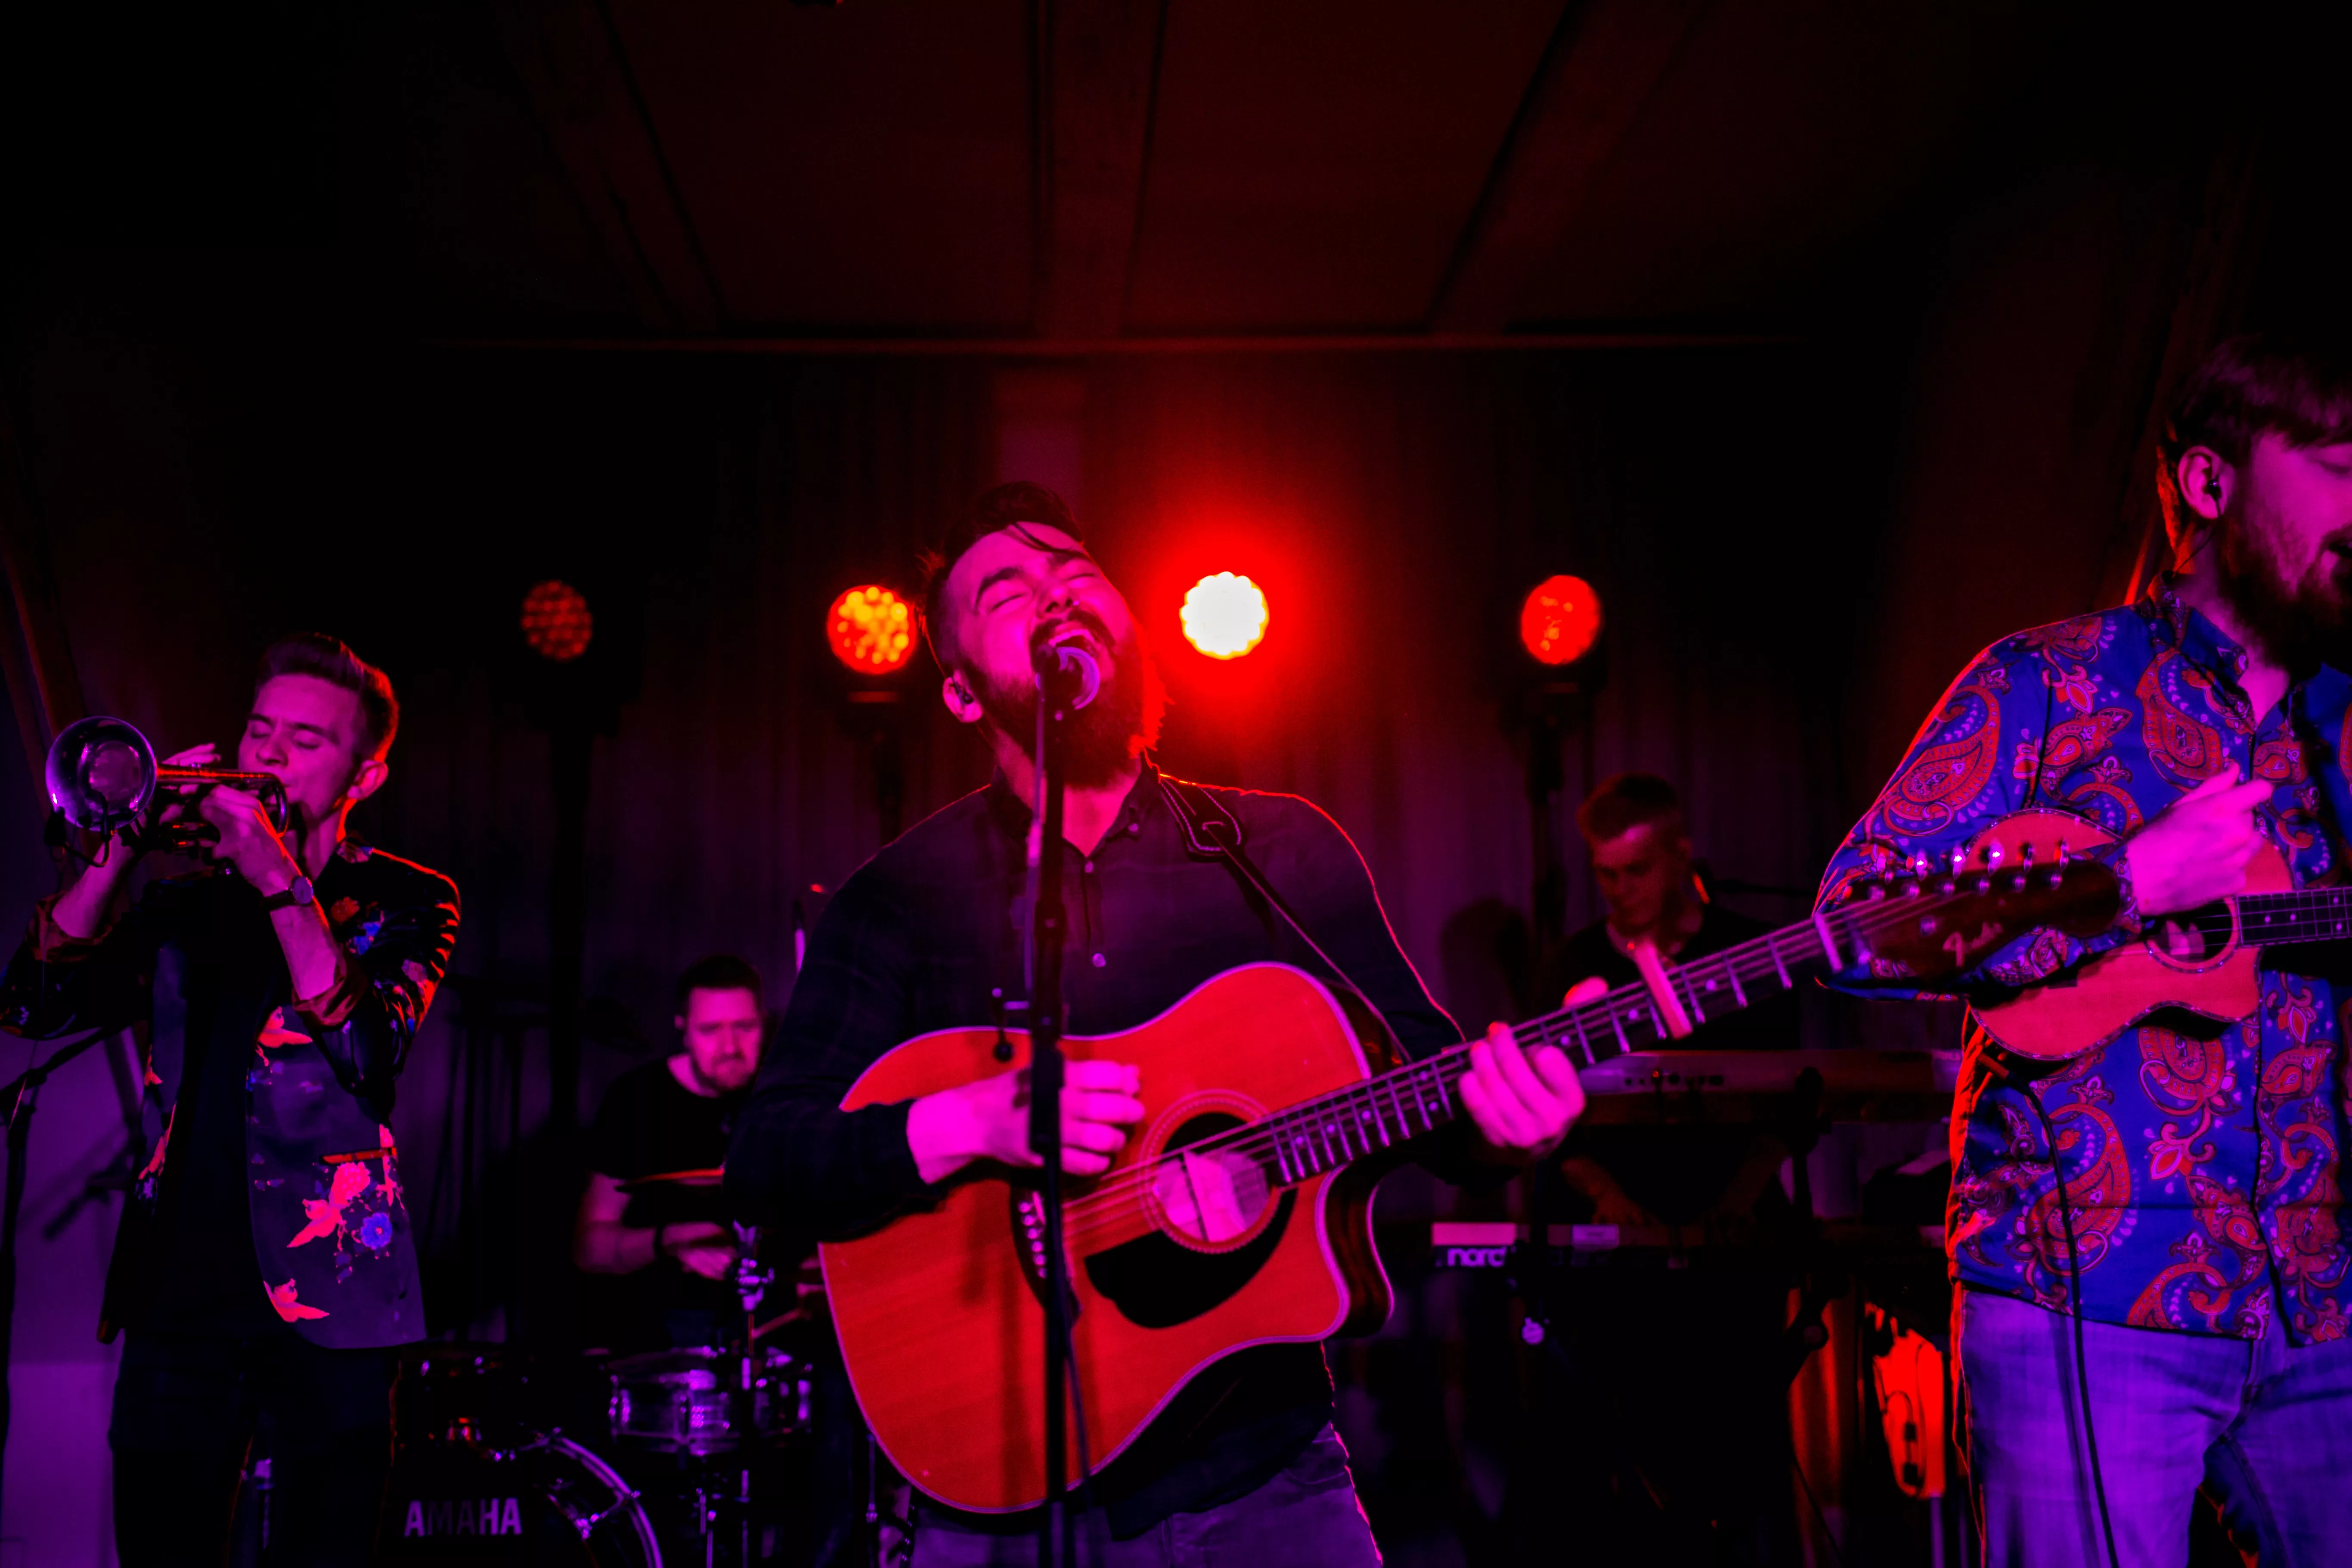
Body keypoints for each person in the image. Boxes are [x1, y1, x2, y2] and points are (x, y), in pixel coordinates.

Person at [725, 481, 1585, 1568]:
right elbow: (764, 1160)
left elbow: (1423, 1087)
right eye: (1007, 590)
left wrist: (1518, 1117)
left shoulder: (1275, 853)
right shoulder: (897, 899)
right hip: (988, 1505)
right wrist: (969, 1124)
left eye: (1077, 571)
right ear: (955, 692)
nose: (1054, 594)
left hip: (1265, 1477)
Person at [1815, 333, 2352, 1565]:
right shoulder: (2048, 685)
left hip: (2324, 1297)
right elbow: (1857, 919)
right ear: (2209, 487)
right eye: (2332, 465)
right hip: (2088, 1293)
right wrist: (2121, 886)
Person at [0, 633, 459, 1566]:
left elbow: (371, 1049)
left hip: (338, 1297)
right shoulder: (184, 902)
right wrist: (117, 849)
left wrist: (280, 882)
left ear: (364, 777)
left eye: (306, 739)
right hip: (179, 1292)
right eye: (260, 730)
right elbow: (31, 1007)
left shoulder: (408, 899)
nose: (271, 756)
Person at [1528, 775, 1801, 1565]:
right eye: (1605, 874)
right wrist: (1609, 1197)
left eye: (1636, 871)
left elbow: (1791, 1102)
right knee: (1618, 1461)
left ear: (1681, 856)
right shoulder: (1573, 963)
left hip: (1733, 1240)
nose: (1619, 891)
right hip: (1615, 1258)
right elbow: (1552, 1119)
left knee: (1735, 1461)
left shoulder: (1751, 955)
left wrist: (1735, 1199)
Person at [577, 954, 769, 1351]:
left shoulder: (782, 1096)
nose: (730, 1047)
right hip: (661, 1339)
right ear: (682, 1029)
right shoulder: (635, 1100)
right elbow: (589, 1249)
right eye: (711, 1030)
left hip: (773, 1328)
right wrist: (669, 1240)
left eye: (745, 1028)